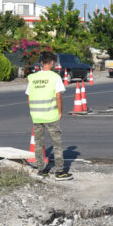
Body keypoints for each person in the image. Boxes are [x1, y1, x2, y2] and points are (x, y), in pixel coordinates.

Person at [27, 51, 72, 180]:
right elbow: (58, 96)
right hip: (51, 115)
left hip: (36, 115)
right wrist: (60, 111)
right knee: (57, 143)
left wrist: (33, 111)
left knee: (38, 143)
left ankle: (41, 170)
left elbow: (29, 98)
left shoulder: (33, 78)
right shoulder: (55, 77)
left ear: (41, 62)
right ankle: (59, 171)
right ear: (52, 63)